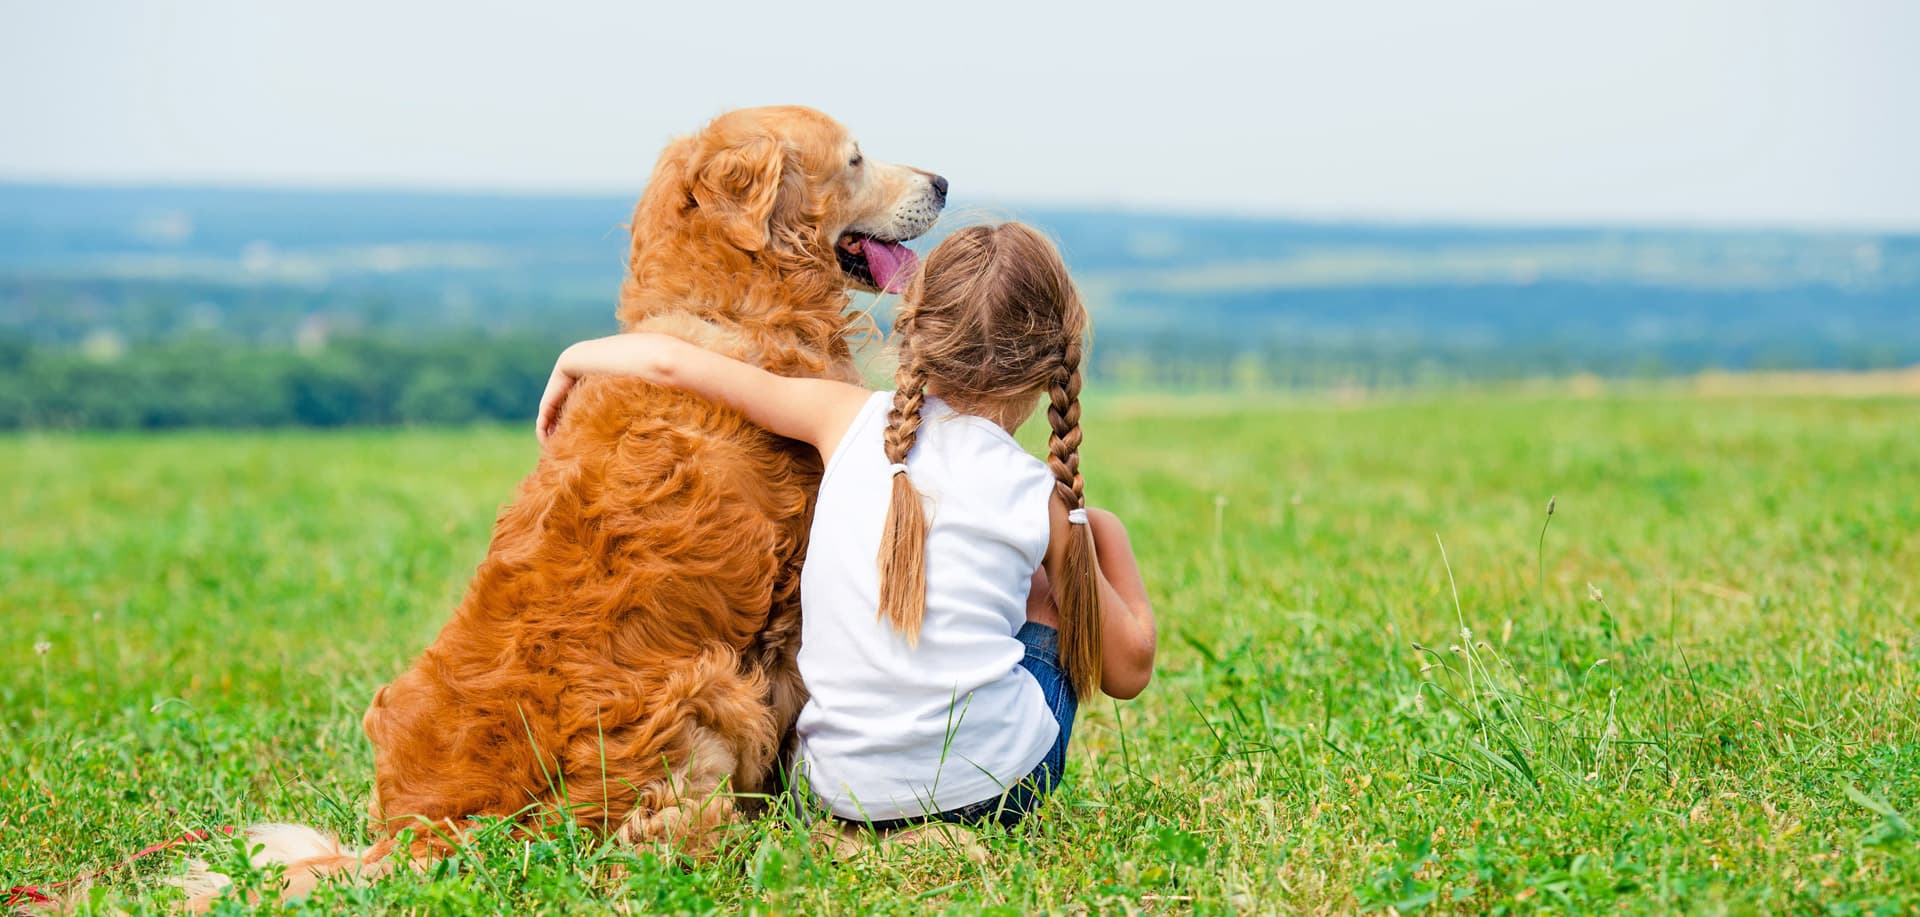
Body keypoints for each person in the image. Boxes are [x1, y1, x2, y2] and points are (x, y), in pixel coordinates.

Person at [536, 222, 1156, 829]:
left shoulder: (841, 417)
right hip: (991, 795)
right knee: (1050, 586)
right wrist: (1100, 533)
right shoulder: (1037, 496)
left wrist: (573, 359)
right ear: (1054, 363)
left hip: (830, 792)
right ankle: (960, 771)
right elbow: (1127, 671)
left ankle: (870, 825)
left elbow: (672, 362)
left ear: (911, 332)